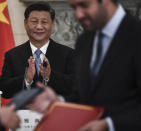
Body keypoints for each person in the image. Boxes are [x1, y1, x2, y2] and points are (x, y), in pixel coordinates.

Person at [30, 0, 141, 131]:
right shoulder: (84, 40)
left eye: (84, 5)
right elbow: (84, 95)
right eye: (74, 7)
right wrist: (60, 102)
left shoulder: (136, 35)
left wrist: (110, 124)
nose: (78, 15)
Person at [0, 2, 75, 98]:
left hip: (56, 111)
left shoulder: (68, 54)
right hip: (23, 111)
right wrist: (26, 79)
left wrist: (50, 76)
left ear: (52, 25)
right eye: (34, 21)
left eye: (44, 22)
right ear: (25, 24)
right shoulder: (12, 55)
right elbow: (3, 89)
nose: (39, 27)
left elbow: (75, 86)